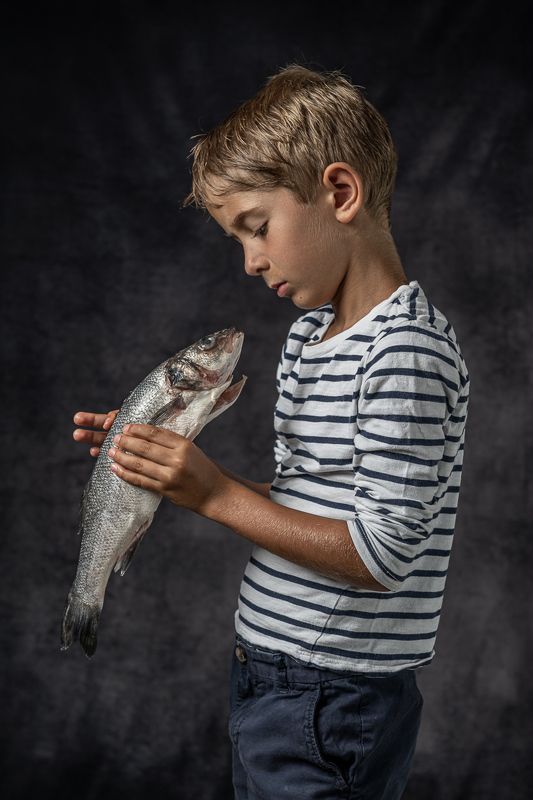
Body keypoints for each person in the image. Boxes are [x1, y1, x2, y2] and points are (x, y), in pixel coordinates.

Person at [72, 63, 470, 799]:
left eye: (257, 227)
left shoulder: (404, 352)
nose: (251, 261)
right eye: (238, 240)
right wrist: (174, 471)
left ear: (340, 193)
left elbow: (379, 556)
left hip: (332, 698)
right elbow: (307, 502)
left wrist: (216, 493)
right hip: (269, 675)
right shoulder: (309, 337)